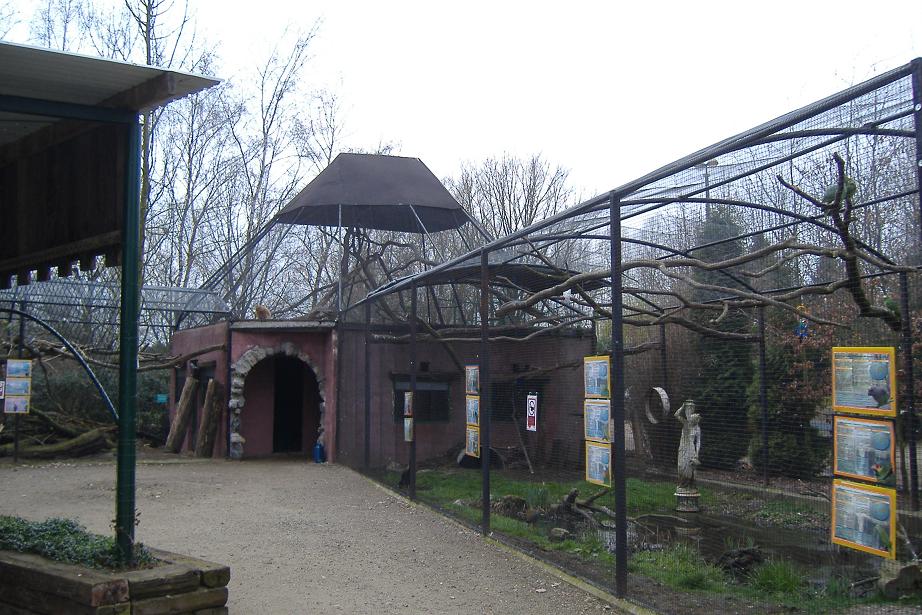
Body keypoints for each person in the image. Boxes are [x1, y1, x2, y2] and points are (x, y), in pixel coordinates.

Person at [675, 400, 701, 490]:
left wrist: (697, 453)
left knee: (690, 467)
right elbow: (676, 415)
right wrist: (682, 407)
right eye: (695, 419)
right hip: (683, 447)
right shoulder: (686, 423)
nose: (696, 421)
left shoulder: (697, 428)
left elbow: (698, 442)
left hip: (691, 448)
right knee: (681, 466)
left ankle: (690, 486)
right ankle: (682, 484)